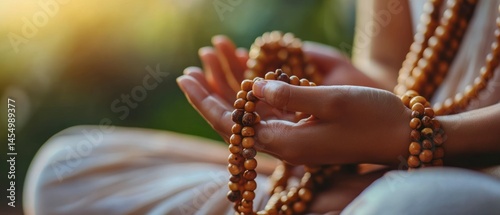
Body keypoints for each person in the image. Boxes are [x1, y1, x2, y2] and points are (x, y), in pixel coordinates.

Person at [24, 0, 500, 214]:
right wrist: (353, 94)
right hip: (388, 165)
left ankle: (342, 199)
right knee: (66, 169)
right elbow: (383, 60)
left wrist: (413, 139)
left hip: (463, 186)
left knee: (420, 204)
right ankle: (345, 197)